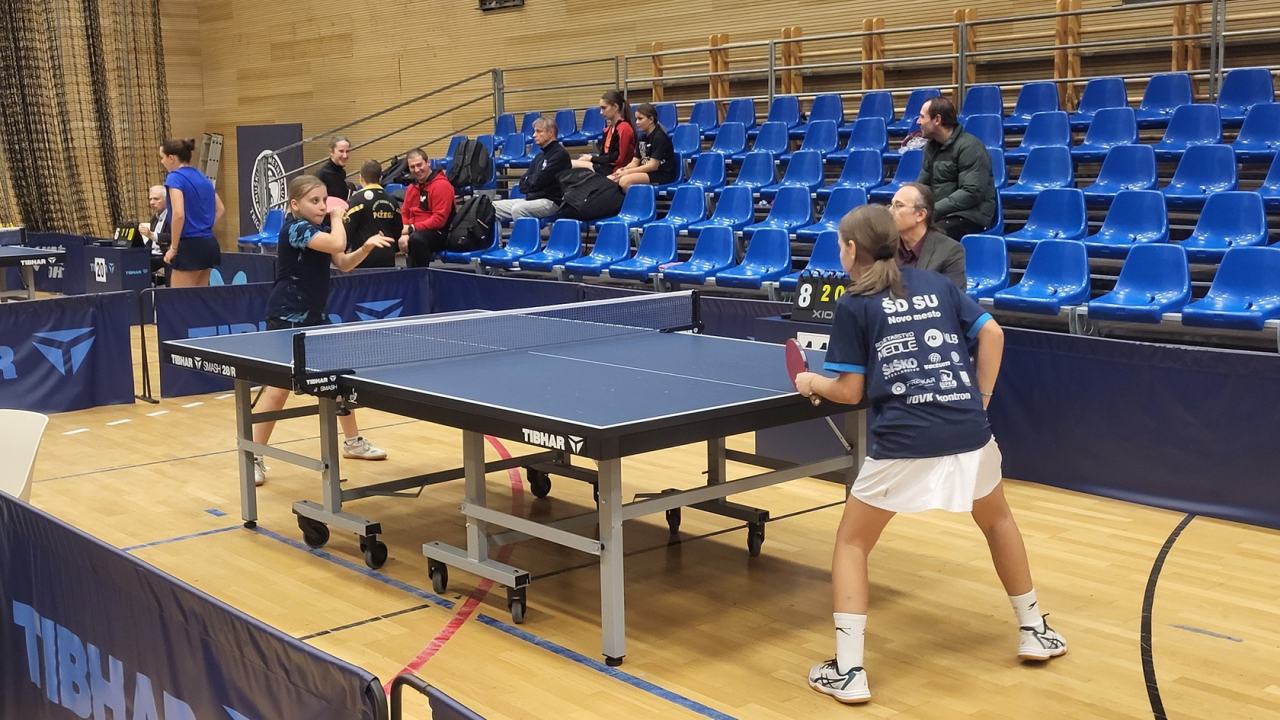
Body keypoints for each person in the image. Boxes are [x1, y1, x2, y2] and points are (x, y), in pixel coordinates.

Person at [795, 204, 1066, 705]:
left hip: (903, 442)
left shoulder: (855, 303)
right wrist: (980, 399)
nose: (839, 251)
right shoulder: (937, 285)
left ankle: (849, 672)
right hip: (970, 433)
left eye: (839, 244)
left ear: (852, 250)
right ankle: (1035, 630)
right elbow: (993, 333)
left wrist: (809, 380)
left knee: (852, 545)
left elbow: (849, 392)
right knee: (998, 520)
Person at [251, 175, 394, 486]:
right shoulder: (296, 228)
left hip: (315, 316)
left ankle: (352, 442)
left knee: (337, 379)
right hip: (287, 317)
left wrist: (367, 247)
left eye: (324, 200)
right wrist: (336, 216)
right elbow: (338, 243)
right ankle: (254, 456)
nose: (321, 206)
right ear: (295, 205)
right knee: (278, 390)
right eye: (314, 201)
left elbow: (342, 262)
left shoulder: (318, 230)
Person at [915, 97, 996, 241]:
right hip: (942, 213)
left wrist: (934, 210)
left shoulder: (970, 147)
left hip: (969, 215)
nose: (918, 122)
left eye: (922, 117)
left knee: (928, 237)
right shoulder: (931, 147)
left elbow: (971, 192)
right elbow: (923, 185)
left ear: (937, 120)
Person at [159, 138, 225, 287]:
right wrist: (203, 227)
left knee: (179, 302)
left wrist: (173, 248)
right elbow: (220, 209)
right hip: (208, 244)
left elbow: (178, 214)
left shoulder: (175, 178)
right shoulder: (201, 176)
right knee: (197, 302)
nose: (162, 162)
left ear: (171, 158)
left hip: (189, 247)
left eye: (162, 158)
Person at [889, 182, 966, 290]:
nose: (890, 211)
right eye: (891, 205)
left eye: (898, 206)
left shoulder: (950, 250)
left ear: (920, 215)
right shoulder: (885, 245)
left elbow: (953, 299)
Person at [492, 116, 570, 222]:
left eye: (539, 131)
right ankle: (498, 239)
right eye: (534, 132)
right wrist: (532, 181)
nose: (534, 135)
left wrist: (531, 181)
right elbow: (523, 185)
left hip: (552, 202)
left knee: (518, 209)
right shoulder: (539, 157)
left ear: (551, 132)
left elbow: (539, 181)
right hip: (532, 200)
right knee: (492, 207)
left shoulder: (560, 155)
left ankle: (524, 238)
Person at [399, 148, 454, 267]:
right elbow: (405, 213)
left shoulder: (441, 185)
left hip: (438, 233)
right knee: (382, 237)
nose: (417, 170)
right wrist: (404, 233)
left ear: (428, 162)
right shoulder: (412, 187)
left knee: (416, 239)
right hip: (413, 231)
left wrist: (411, 229)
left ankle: (419, 278)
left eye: (419, 165)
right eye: (412, 167)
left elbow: (439, 220)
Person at [344, 159, 403, 268]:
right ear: (380, 178)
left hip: (362, 257)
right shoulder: (392, 201)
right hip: (387, 256)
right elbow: (398, 231)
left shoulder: (356, 200)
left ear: (361, 178)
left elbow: (347, 230)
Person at [610, 103, 677, 190]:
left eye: (640, 119)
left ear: (651, 119)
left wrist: (628, 172)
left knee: (625, 181)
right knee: (611, 179)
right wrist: (623, 170)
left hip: (660, 175)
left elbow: (653, 166)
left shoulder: (659, 137)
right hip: (646, 173)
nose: (637, 122)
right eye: (636, 119)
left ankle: (636, 203)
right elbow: (635, 162)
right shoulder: (642, 138)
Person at [570, 90, 636, 176]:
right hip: (606, 167)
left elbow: (618, 158)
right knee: (573, 165)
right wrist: (591, 159)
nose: (601, 112)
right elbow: (604, 156)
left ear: (615, 107)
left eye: (604, 108)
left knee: (571, 164)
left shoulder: (624, 128)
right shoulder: (607, 130)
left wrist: (591, 158)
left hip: (617, 170)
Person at [139, 184, 171, 276]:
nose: (152, 202)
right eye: (150, 199)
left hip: (165, 255)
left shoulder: (172, 216)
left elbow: (173, 237)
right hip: (152, 254)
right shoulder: (154, 218)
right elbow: (150, 243)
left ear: (166, 200)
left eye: (156, 199)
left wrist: (152, 235)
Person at [315, 136, 353, 201]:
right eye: (341, 151)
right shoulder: (322, 174)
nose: (345, 155)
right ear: (331, 152)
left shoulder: (342, 172)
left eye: (347, 151)